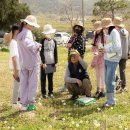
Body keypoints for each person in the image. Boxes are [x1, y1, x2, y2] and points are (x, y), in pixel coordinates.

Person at [17, 15, 41, 111]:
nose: (33, 27)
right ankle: (31, 103)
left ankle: (23, 103)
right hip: (32, 62)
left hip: (23, 62)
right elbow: (29, 44)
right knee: (33, 83)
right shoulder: (28, 32)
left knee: (24, 83)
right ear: (28, 24)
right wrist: (37, 45)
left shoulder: (20, 32)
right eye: (33, 25)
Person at [100, 18, 122, 107]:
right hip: (108, 58)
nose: (104, 29)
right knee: (107, 80)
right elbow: (111, 45)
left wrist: (106, 49)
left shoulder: (114, 32)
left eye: (104, 27)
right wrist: (104, 50)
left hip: (113, 60)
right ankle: (110, 99)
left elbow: (117, 46)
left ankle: (112, 101)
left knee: (110, 80)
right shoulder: (110, 32)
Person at [40, 24, 58, 99]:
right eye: (47, 33)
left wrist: (56, 62)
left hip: (51, 62)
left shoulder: (54, 41)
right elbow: (41, 52)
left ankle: (50, 92)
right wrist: (43, 63)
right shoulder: (42, 41)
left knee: (50, 79)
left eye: (49, 33)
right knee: (43, 79)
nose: (48, 35)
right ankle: (44, 93)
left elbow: (55, 52)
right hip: (44, 64)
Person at [113, 17, 130, 92]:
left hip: (117, 53)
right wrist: (128, 53)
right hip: (125, 54)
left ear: (116, 25)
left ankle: (118, 80)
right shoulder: (127, 32)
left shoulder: (116, 33)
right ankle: (124, 86)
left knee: (111, 69)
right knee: (122, 70)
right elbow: (129, 44)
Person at [91, 21, 105, 99]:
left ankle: (103, 91)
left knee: (102, 75)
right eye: (96, 29)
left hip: (103, 58)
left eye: (98, 29)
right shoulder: (95, 37)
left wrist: (102, 50)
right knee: (97, 75)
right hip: (96, 58)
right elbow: (92, 48)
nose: (97, 30)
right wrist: (95, 48)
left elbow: (108, 46)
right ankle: (98, 89)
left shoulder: (105, 36)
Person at [9, 25, 20, 109]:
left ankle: (18, 101)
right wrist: (16, 71)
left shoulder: (16, 42)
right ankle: (14, 103)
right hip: (17, 67)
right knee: (17, 85)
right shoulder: (13, 42)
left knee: (19, 85)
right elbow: (14, 58)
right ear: (16, 32)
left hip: (19, 66)